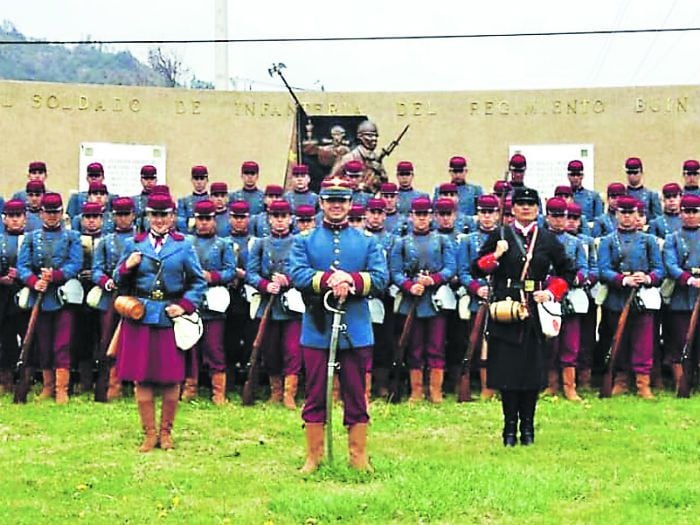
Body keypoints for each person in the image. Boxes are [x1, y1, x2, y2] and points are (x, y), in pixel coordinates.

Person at [290, 175, 388, 472]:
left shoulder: (367, 241)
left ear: (350, 204)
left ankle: (358, 456)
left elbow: (381, 278)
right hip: (318, 327)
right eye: (330, 200)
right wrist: (328, 280)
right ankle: (314, 455)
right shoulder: (303, 241)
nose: (336, 206)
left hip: (356, 328)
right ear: (321, 203)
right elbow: (297, 274)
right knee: (315, 392)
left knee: (356, 393)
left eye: (341, 201)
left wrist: (352, 280)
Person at [473, 187, 574, 446]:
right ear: (512, 209)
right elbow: (475, 267)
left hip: (534, 311)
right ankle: (508, 430)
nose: (526, 208)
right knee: (507, 373)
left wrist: (551, 293)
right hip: (506, 308)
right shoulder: (500, 234)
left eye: (530, 204)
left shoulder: (547, 239)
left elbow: (568, 271)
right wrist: (496, 255)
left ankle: (528, 429)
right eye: (520, 204)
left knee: (531, 374)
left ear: (538, 210)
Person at [113, 192, 206, 452]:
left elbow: (198, 282)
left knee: (170, 378)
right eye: (154, 214)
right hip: (139, 316)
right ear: (147, 216)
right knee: (141, 377)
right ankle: (149, 434)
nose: (159, 220)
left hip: (169, 316)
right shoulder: (134, 243)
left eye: (164, 215)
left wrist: (185, 306)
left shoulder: (184, 245)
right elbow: (117, 281)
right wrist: (126, 267)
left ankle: (166, 433)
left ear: (173, 216)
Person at [17, 193, 83, 404]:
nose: (52, 216)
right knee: (43, 343)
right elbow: (23, 266)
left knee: (62, 343)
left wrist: (54, 276)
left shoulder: (72, 237)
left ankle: (62, 388)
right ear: (42, 213)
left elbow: (75, 264)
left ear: (61, 212)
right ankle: (47, 386)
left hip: (64, 296)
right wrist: (34, 281)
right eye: (48, 212)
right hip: (40, 296)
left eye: (56, 212)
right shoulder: (30, 238)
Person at [597, 195, 664, 399]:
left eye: (631, 213)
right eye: (622, 213)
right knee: (619, 339)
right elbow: (603, 270)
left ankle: (643, 383)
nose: (627, 218)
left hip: (641, 298)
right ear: (616, 214)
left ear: (637, 215)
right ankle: (621, 380)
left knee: (643, 342)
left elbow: (659, 270)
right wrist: (622, 280)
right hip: (617, 299)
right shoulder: (607, 241)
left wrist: (647, 277)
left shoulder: (649, 241)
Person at [390, 197, 456, 404]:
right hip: (412, 300)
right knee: (414, 347)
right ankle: (416, 390)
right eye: (418, 215)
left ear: (431, 216)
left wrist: (433, 279)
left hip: (435, 299)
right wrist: (410, 286)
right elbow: (395, 271)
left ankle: (435, 390)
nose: (421, 219)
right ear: (411, 217)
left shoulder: (443, 241)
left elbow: (450, 267)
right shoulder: (401, 242)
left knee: (436, 346)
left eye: (425, 215)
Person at [247, 200, 304, 409]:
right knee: (270, 350)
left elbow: (304, 270)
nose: (280, 221)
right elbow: (251, 273)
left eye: (284, 217)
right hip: (268, 304)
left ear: (290, 219)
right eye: (276, 217)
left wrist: (288, 280)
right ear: (269, 219)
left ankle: (290, 393)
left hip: (292, 305)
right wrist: (265, 285)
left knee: (293, 349)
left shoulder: (299, 243)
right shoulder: (260, 244)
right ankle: (276, 391)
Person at [184, 200, 236, 405]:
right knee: (190, 346)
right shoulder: (187, 243)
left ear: (214, 220)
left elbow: (230, 271)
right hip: (191, 300)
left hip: (214, 301)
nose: (204, 223)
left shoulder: (224, 245)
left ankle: (218, 393)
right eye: (200, 219)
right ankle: (190, 388)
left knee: (214, 347)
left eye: (208, 219)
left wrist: (212, 276)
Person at [91, 196, 137, 401]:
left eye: (126, 214)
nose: (123, 219)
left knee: (136, 340)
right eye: (119, 214)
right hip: (112, 295)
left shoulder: (142, 240)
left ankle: (137, 383)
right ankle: (111, 384)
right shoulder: (104, 241)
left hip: (136, 296)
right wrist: (106, 282)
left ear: (133, 215)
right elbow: (96, 270)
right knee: (108, 341)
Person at [543, 198, 588, 401]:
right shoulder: (539, 241)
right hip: (546, 296)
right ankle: (550, 384)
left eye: (563, 216)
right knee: (549, 342)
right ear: (547, 217)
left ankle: (570, 386)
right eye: (555, 216)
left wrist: (576, 279)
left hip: (570, 295)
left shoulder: (576, 243)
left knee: (571, 343)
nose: (560, 220)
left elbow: (587, 268)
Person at [457, 194, 501, 400]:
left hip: (501, 299)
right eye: (483, 212)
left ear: (497, 214)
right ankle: (479, 384)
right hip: (478, 298)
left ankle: (496, 385)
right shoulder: (467, 241)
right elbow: (464, 272)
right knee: (475, 342)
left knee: (498, 342)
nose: (487, 217)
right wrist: (477, 288)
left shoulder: (505, 238)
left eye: (491, 212)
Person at [662, 194, 700, 393]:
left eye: (695, 211)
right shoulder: (672, 239)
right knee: (679, 341)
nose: (691, 216)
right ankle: (681, 382)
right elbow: (670, 265)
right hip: (681, 297)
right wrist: (690, 280)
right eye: (687, 211)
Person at [0, 199, 28, 393]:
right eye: (11, 216)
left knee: (28, 336)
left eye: (18, 216)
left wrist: (22, 275)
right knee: (6, 337)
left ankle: (27, 377)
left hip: (26, 294)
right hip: (3, 297)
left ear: (25, 219)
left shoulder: (32, 240)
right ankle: (6, 378)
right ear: (4, 219)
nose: (15, 220)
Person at [333, 120, 387, 194]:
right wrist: (354, 186)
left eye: (375, 136)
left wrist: (380, 172)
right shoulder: (349, 157)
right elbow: (333, 180)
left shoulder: (375, 158)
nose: (374, 139)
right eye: (370, 135)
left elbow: (384, 183)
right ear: (360, 137)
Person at [567, 160, 604, 225]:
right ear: (568, 176)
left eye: (578, 175)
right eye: (573, 175)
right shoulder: (563, 196)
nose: (576, 178)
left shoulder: (594, 196)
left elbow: (599, 220)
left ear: (582, 176)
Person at [176, 165, 210, 232]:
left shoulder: (212, 200)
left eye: (202, 178)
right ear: (192, 180)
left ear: (207, 180)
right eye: (196, 178)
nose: (199, 182)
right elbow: (180, 222)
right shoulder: (184, 201)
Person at [132, 165, 158, 233]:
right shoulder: (133, 201)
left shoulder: (162, 202)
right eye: (146, 179)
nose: (149, 181)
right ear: (141, 180)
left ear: (156, 180)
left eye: (152, 179)